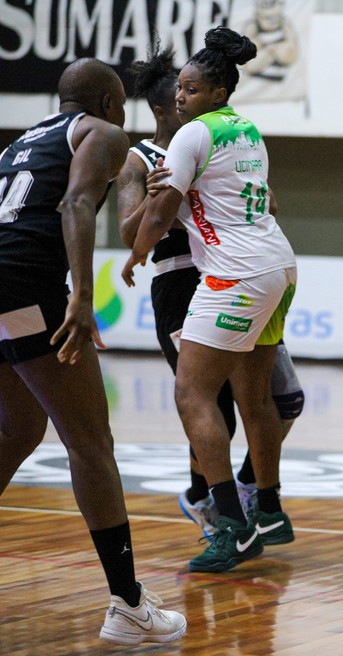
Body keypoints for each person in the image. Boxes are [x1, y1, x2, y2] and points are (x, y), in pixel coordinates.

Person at [0, 58, 186, 645]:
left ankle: (129, 601)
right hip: (27, 282)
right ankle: (128, 604)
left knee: (19, 429)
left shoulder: (19, 144)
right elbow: (75, 206)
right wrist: (82, 296)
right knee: (90, 441)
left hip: (3, 284)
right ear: (109, 103)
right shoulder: (103, 133)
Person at [121, 27, 298, 573]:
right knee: (248, 397)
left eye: (191, 89)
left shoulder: (190, 138)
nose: (182, 96)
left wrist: (133, 255)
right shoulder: (244, 129)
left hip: (227, 275)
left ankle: (229, 522)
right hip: (275, 264)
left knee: (192, 396)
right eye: (179, 90)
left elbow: (151, 219)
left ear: (214, 92)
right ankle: (265, 509)